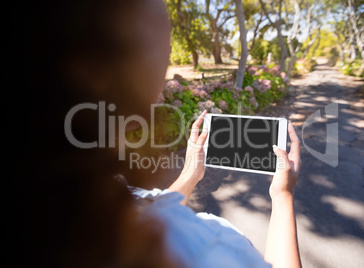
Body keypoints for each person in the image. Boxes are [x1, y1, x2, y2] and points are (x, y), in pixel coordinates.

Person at [12, 0, 302, 267]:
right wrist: (282, 196)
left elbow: (150, 207)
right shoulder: (206, 251)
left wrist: (190, 175)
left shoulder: (77, 200)